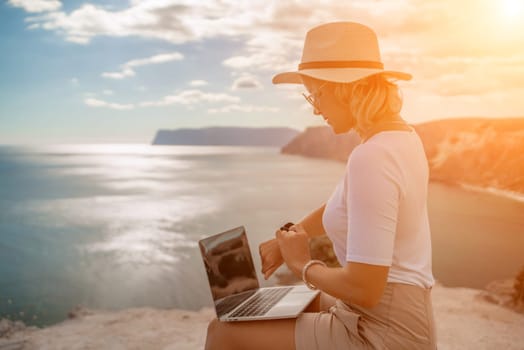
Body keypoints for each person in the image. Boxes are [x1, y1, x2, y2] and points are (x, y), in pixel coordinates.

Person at [205, 21, 437, 350]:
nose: (314, 108)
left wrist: (301, 263)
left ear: (344, 88)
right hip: (387, 315)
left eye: (316, 94)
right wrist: (287, 238)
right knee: (260, 309)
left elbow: (365, 288)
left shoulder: (372, 156)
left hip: (382, 332)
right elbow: (359, 206)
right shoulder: (401, 138)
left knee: (223, 331)